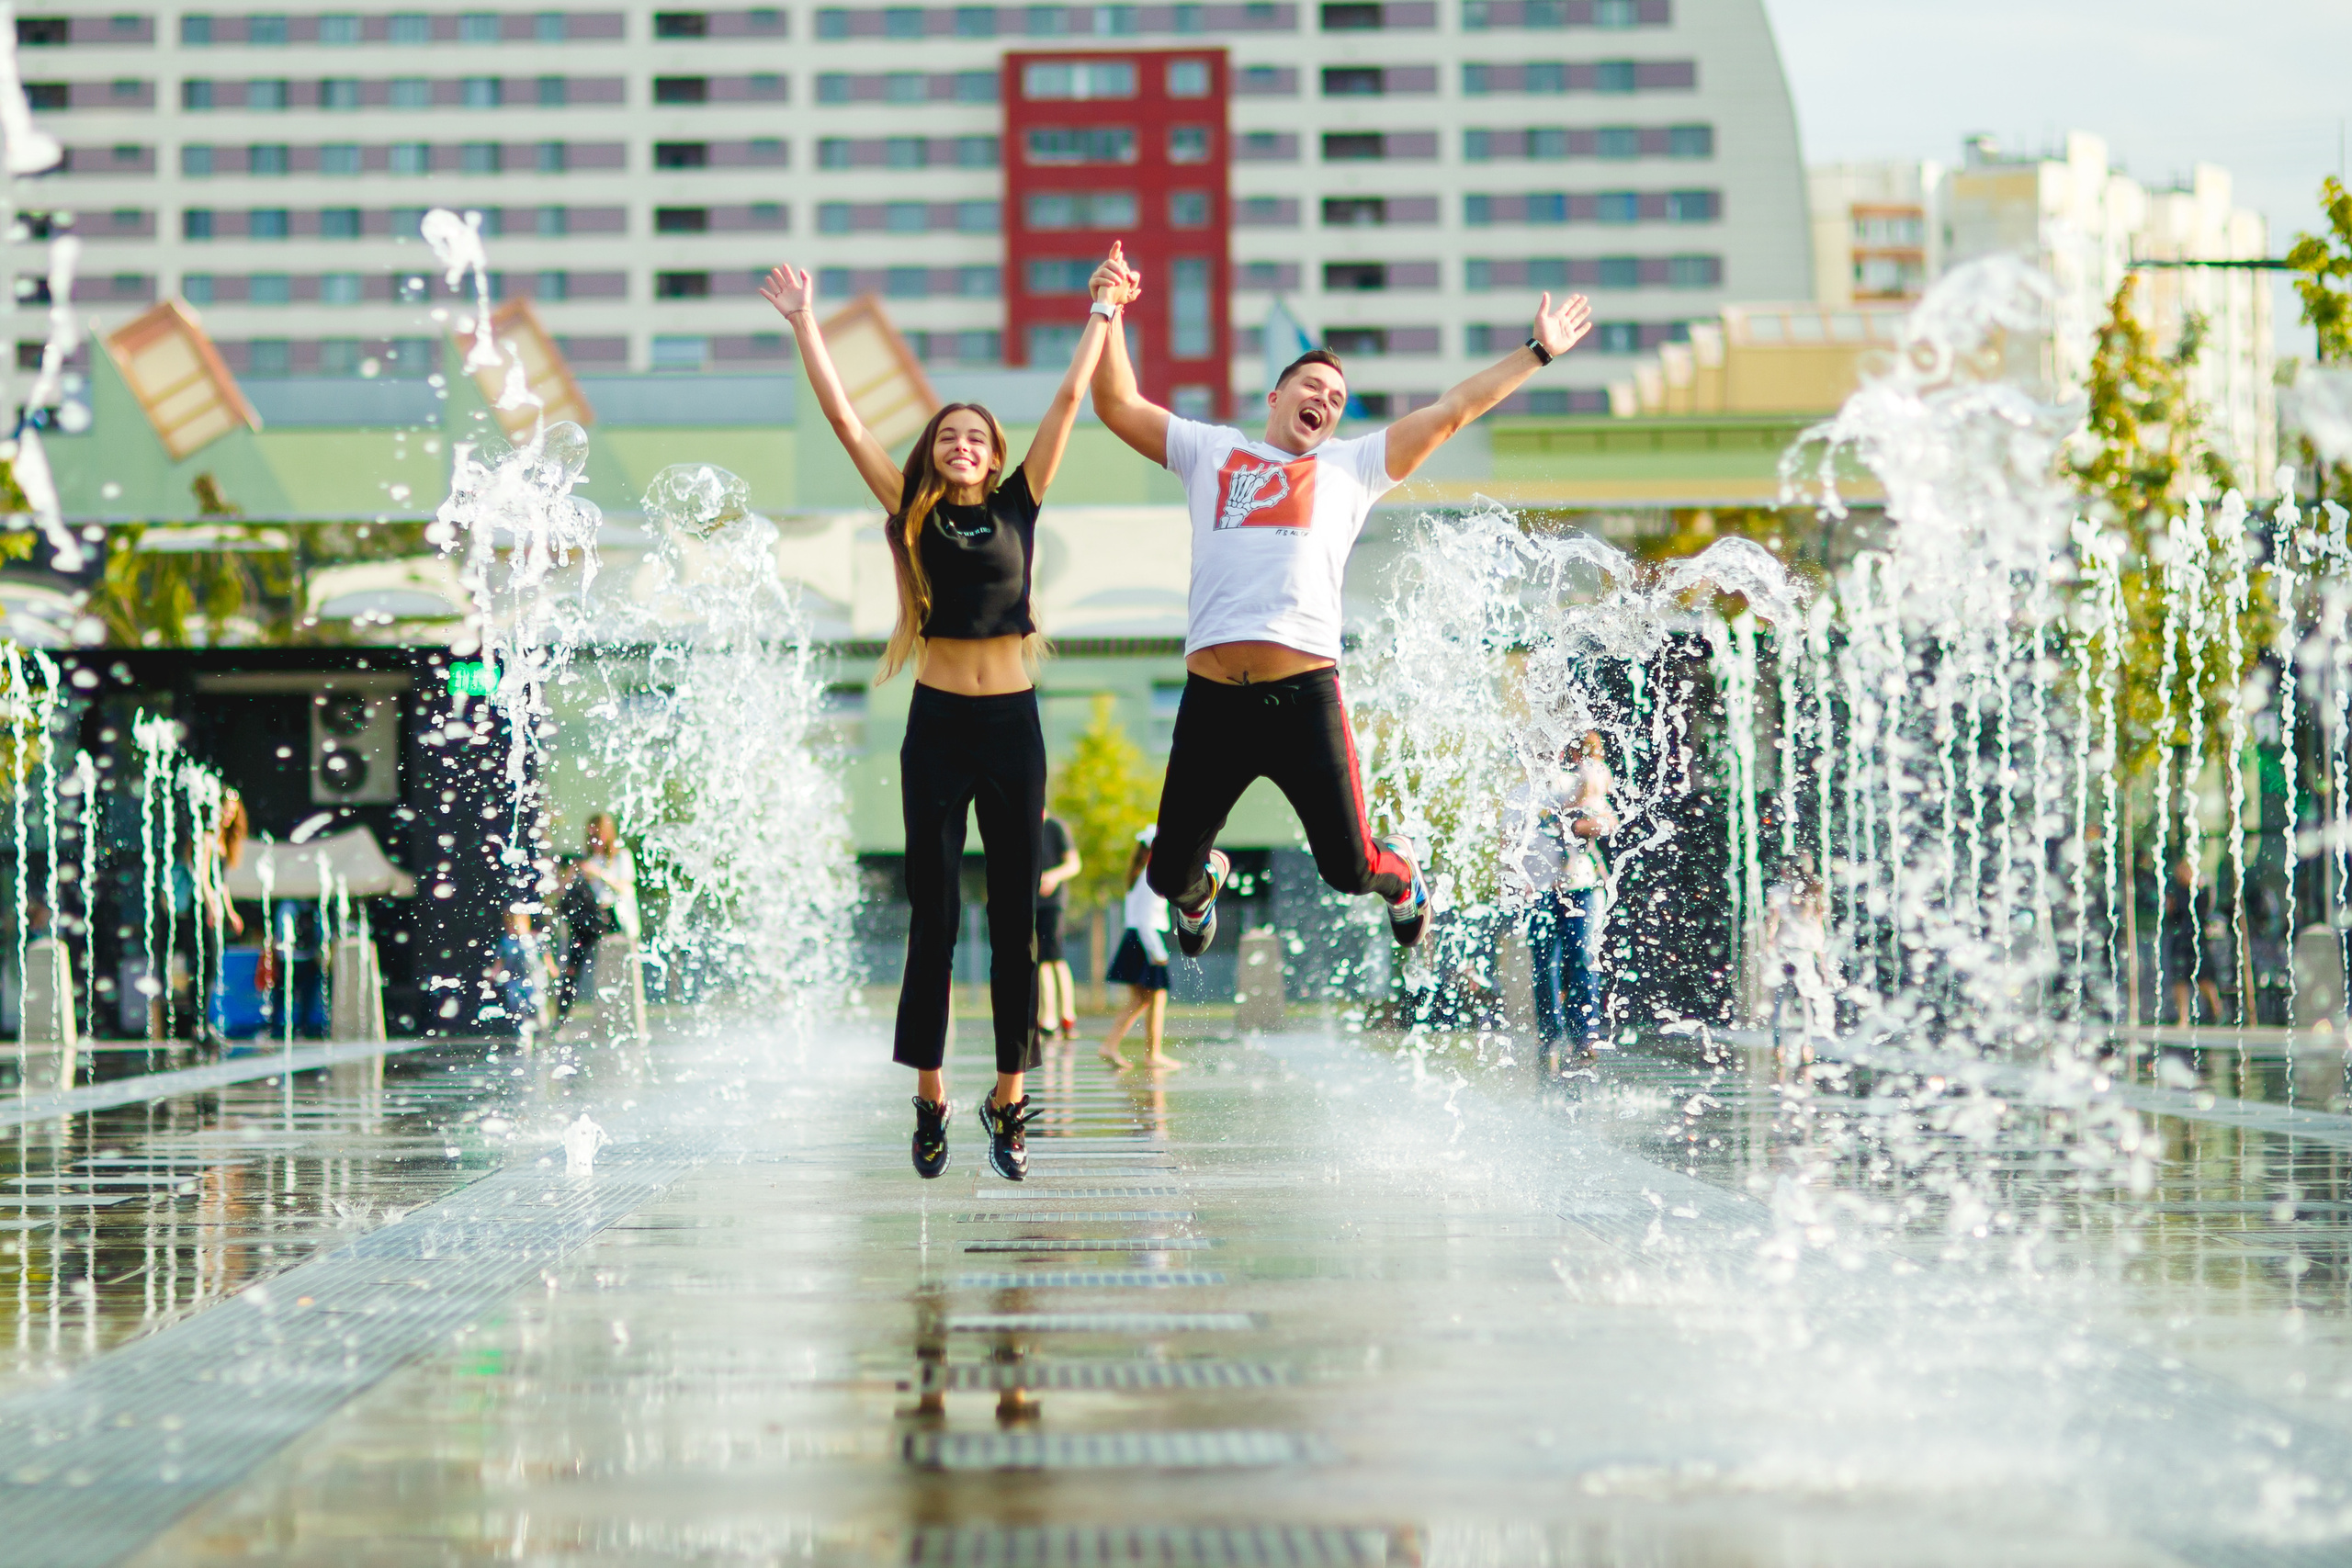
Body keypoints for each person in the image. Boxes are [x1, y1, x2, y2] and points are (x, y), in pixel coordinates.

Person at [1086, 243, 1593, 958]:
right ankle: (1208, 883)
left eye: (1335, 398)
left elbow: (1450, 412)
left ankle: (1405, 876)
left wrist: (1536, 351)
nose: (1323, 400)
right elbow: (1114, 402)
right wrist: (1109, 309)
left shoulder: (1350, 466)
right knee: (1169, 874)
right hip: (1213, 701)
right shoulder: (1211, 452)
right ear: (1275, 395)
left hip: (1302, 696)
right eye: (1311, 387)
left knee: (1348, 867)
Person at [762, 258, 1120, 1182]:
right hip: (936, 728)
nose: (963, 444)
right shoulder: (910, 511)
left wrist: (1101, 309)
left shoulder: (1018, 505)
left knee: (1016, 920)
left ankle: (1008, 1094)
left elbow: (1074, 396)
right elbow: (845, 421)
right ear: (933, 453)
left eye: (976, 437)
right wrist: (806, 322)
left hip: (1012, 728)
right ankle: (929, 1098)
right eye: (949, 435)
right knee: (932, 917)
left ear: (995, 456)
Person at [1500, 732, 1616, 1068]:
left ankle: (1584, 1037)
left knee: (1581, 958)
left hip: (1581, 884)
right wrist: (1511, 882)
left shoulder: (1576, 783)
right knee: (1544, 965)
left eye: (1546, 752)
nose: (1539, 758)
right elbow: (1507, 846)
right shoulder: (1519, 796)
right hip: (1538, 890)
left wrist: (1581, 826)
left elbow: (1608, 821)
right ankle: (1550, 1036)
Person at [1101, 828, 1177, 1070]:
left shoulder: (1142, 875)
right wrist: (1158, 953)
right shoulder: (1149, 878)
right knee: (1152, 997)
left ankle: (1114, 1046)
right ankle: (1151, 1053)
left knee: (1142, 999)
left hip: (1139, 939)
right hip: (1145, 940)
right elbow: (1145, 921)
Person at [556, 812, 638, 1025]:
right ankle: (561, 1015)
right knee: (575, 898)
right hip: (589, 919)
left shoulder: (621, 856)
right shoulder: (587, 859)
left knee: (577, 908)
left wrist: (599, 874)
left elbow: (627, 889)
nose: (594, 839)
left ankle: (561, 1014)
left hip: (612, 917)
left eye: (598, 834)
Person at [1762, 864, 1835, 1074]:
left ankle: (1781, 1048)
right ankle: (1805, 1047)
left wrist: (1769, 944)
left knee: (1783, 1003)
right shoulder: (1810, 893)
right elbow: (1818, 929)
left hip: (1789, 951)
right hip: (1802, 952)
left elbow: (1772, 922)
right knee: (1805, 1003)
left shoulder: (1782, 893)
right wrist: (1821, 961)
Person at [1035, 806, 1081, 1043]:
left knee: (1055, 957)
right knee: (1042, 959)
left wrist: (1053, 876)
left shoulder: (1055, 827)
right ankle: (1048, 1017)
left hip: (1052, 903)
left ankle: (1065, 1016)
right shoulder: (1027, 828)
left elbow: (1074, 864)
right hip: (1033, 905)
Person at [2165, 855, 2222, 1026]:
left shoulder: (2200, 891)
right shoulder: (2174, 891)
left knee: (2204, 978)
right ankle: (2184, 1016)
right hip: (2180, 938)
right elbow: (2171, 915)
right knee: (2180, 979)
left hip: (2197, 939)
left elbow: (2205, 910)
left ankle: (2216, 1012)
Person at [487, 904, 548, 1049]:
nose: (514, 928)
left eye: (517, 924)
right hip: (514, 978)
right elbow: (500, 960)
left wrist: (551, 968)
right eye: (510, 924)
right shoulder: (506, 941)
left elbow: (545, 955)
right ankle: (525, 1030)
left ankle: (541, 1023)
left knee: (535, 1000)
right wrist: (495, 972)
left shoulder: (535, 939)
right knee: (517, 1004)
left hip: (533, 978)